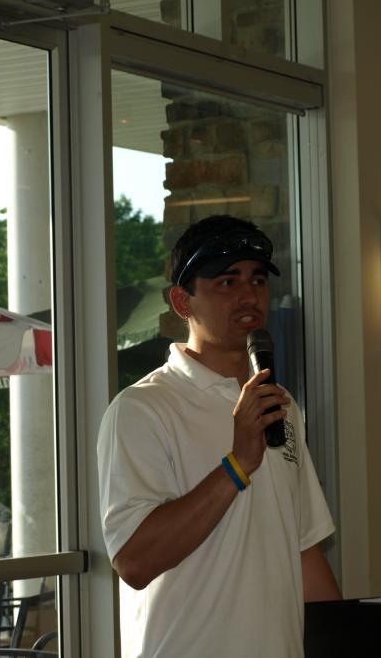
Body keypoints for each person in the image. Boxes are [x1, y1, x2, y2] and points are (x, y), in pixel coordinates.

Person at [98, 215, 341, 658]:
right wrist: (237, 464)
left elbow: (303, 548)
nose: (249, 295)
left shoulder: (280, 404)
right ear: (182, 301)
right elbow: (134, 561)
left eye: (258, 280)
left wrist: (351, 641)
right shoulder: (142, 409)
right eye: (228, 282)